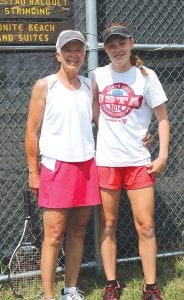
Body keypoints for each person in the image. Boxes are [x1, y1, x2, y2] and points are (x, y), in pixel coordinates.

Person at [92, 24, 170, 300]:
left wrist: (161, 155)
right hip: (107, 162)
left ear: (131, 43)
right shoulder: (98, 76)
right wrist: (109, 132)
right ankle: (111, 284)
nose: (117, 49)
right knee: (108, 224)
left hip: (138, 162)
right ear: (105, 49)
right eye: (111, 45)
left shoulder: (146, 77)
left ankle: (151, 287)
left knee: (145, 226)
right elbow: (93, 111)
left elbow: (162, 118)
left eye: (121, 43)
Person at [25, 30, 101, 300]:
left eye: (78, 49)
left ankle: (70, 290)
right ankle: (48, 296)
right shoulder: (44, 85)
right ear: (58, 54)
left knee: (78, 230)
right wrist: (34, 172)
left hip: (86, 167)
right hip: (56, 167)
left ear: (84, 54)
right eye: (67, 49)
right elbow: (32, 131)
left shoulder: (89, 85)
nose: (73, 54)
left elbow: (101, 124)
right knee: (54, 234)